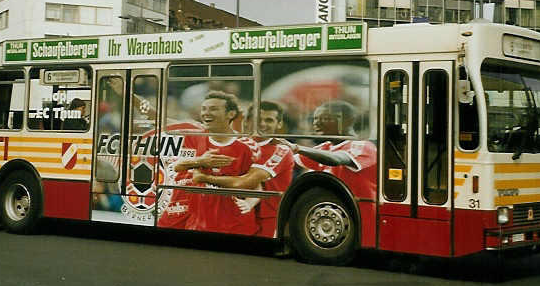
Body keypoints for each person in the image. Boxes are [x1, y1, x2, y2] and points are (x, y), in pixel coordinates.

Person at [158, 91, 259, 235]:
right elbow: (177, 166)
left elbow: (256, 184)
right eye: (204, 109)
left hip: (235, 224)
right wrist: (201, 161)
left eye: (213, 109)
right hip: (199, 222)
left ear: (230, 114)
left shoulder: (246, 147)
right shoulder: (193, 137)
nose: (206, 113)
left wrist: (249, 202)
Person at [194, 101, 295, 238]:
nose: (262, 124)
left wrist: (203, 178)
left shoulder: (280, 150)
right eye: (257, 119)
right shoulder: (236, 144)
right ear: (248, 121)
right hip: (234, 218)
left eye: (269, 120)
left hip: (269, 218)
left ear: (279, 124)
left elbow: (245, 182)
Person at [284, 100, 377, 200]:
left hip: (363, 211)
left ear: (347, 121)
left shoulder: (363, 146)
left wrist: (297, 148)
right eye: (315, 119)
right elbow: (289, 161)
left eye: (325, 119)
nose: (316, 123)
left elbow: (335, 159)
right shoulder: (325, 147)